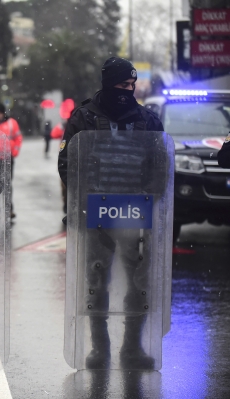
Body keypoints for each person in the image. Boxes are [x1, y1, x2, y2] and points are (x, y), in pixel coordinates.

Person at [58, 57, 164, 369]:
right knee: (96, 279)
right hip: (96, 213)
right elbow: (67, 163)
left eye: (131, 86)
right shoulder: (84, 118)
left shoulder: (147, 120)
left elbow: (160, 166)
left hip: (136, 213)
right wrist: (87, 196)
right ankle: (99, 349)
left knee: (138, 282)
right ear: (108, 83)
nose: (127, 91)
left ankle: (132, 348)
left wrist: (148, 197)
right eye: (121, 85)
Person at [0, 103, 22, 218]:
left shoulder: (12, 123)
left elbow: (18, 137)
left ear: (2, 113)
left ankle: (9, 209)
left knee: (7, 184)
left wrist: (15, 151)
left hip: (8, 159)